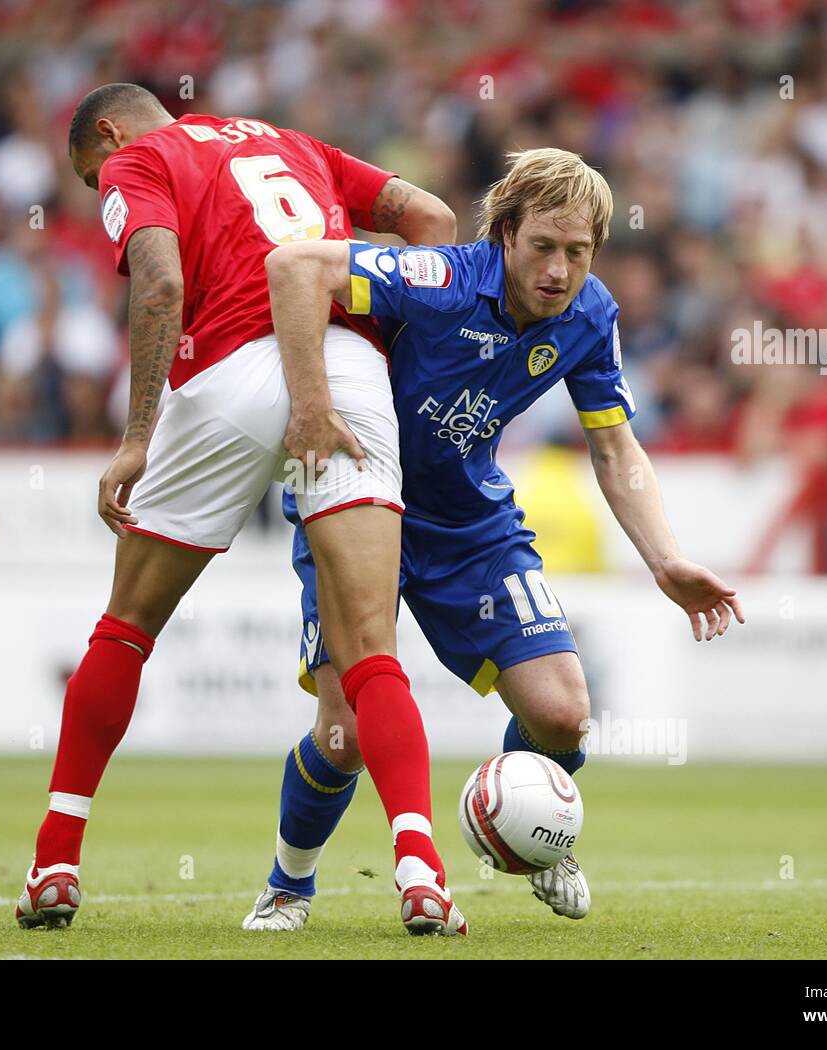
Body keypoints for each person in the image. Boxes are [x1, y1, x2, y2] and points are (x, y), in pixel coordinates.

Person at [242, 149, 745, 931]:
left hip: (471, 527)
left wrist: (665, 558)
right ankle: (288, 884)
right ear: (505, 234)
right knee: (342, 734)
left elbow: (615, 450)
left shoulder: (590, 317)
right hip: (358, 505)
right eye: (543, 246)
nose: (559, 269)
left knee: (564, 714)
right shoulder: (441, 280)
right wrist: (309, 406)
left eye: (578, 252)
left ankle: (531, 821)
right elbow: (300, 264)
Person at [16, 84, 471, 935]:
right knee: (372, 652)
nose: (99, 184)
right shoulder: (300, 144)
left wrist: (134, 436)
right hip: (344, 365)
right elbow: (435, 224)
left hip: (228, 367)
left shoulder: (139, 158)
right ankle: (421, 873)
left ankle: (55, 860)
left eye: (89, 175)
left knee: (125, 628)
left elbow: (157, 286)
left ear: (108, 134)